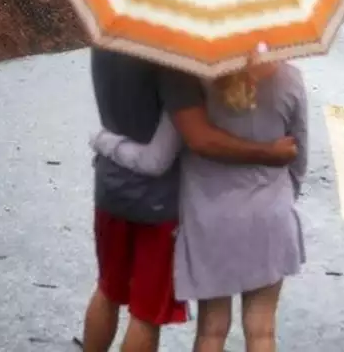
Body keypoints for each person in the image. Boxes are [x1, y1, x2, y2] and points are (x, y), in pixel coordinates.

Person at [90, 46, 309, 352]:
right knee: (261, 330)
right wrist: (283, 196)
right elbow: (298, 158)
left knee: (211, 330)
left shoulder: (197, 83)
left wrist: (105, 142)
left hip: (209, 221)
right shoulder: (289, 79)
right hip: (270, 215)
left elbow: (175, 149)